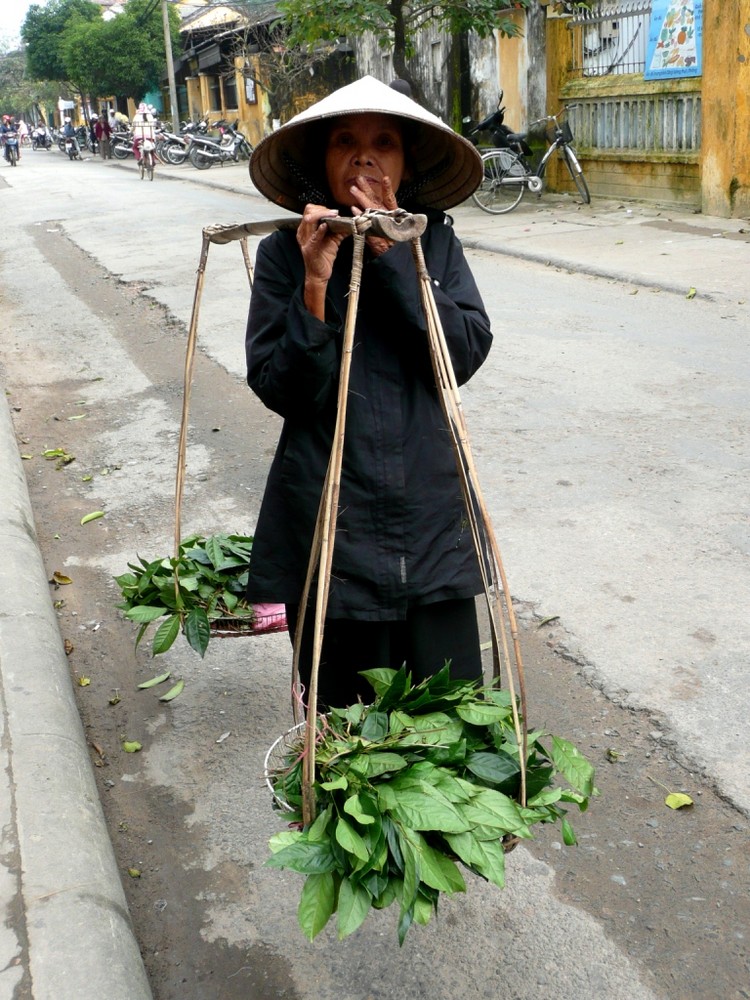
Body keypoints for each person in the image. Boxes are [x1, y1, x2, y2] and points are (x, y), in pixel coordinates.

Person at [245, 76, 489, 710]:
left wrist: (391, 253)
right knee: (347, 735)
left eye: (384, 142)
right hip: (332, 517)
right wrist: (316, 283)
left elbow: (460, 353)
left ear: (405, 164)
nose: (364, 155)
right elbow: (282, 389)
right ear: (320, 162)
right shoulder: (284, 252)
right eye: (344, 142)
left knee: (448, 722)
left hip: (429, 516)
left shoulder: (433, 241)